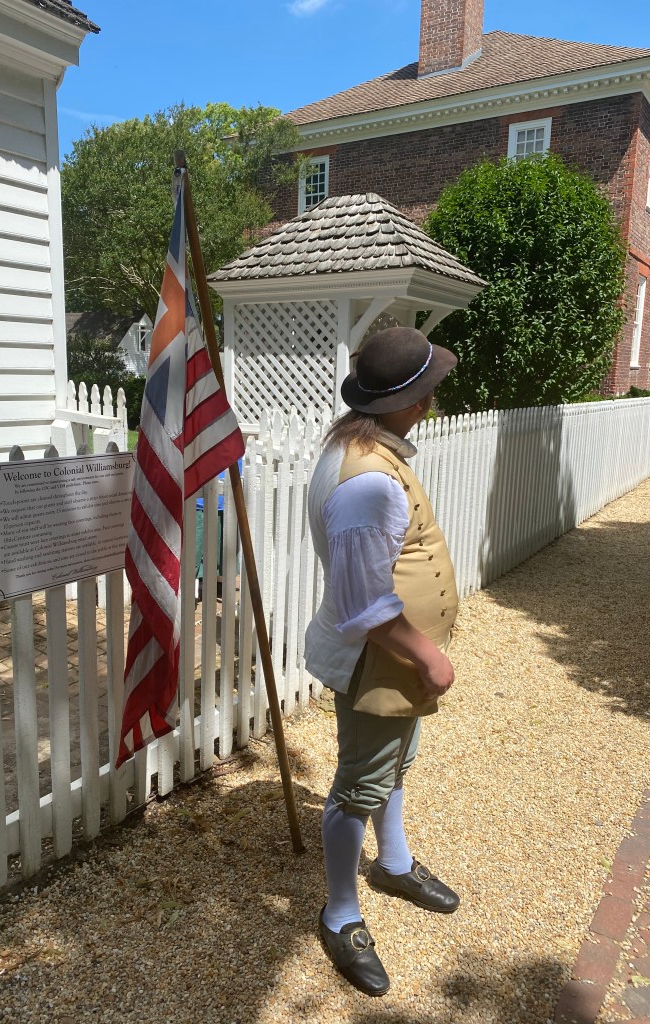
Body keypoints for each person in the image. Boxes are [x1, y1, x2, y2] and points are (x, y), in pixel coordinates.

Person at [305, 326, 461, 997]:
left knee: (395, 763)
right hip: (379, 659)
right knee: (358, 786)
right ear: (408, 401)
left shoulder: (366, 450)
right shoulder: (367, 483)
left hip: (392, 661)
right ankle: (340, 914)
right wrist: (428, 655)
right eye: (427, 391)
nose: (432, 401)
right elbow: (364, 606)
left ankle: (393, 862)